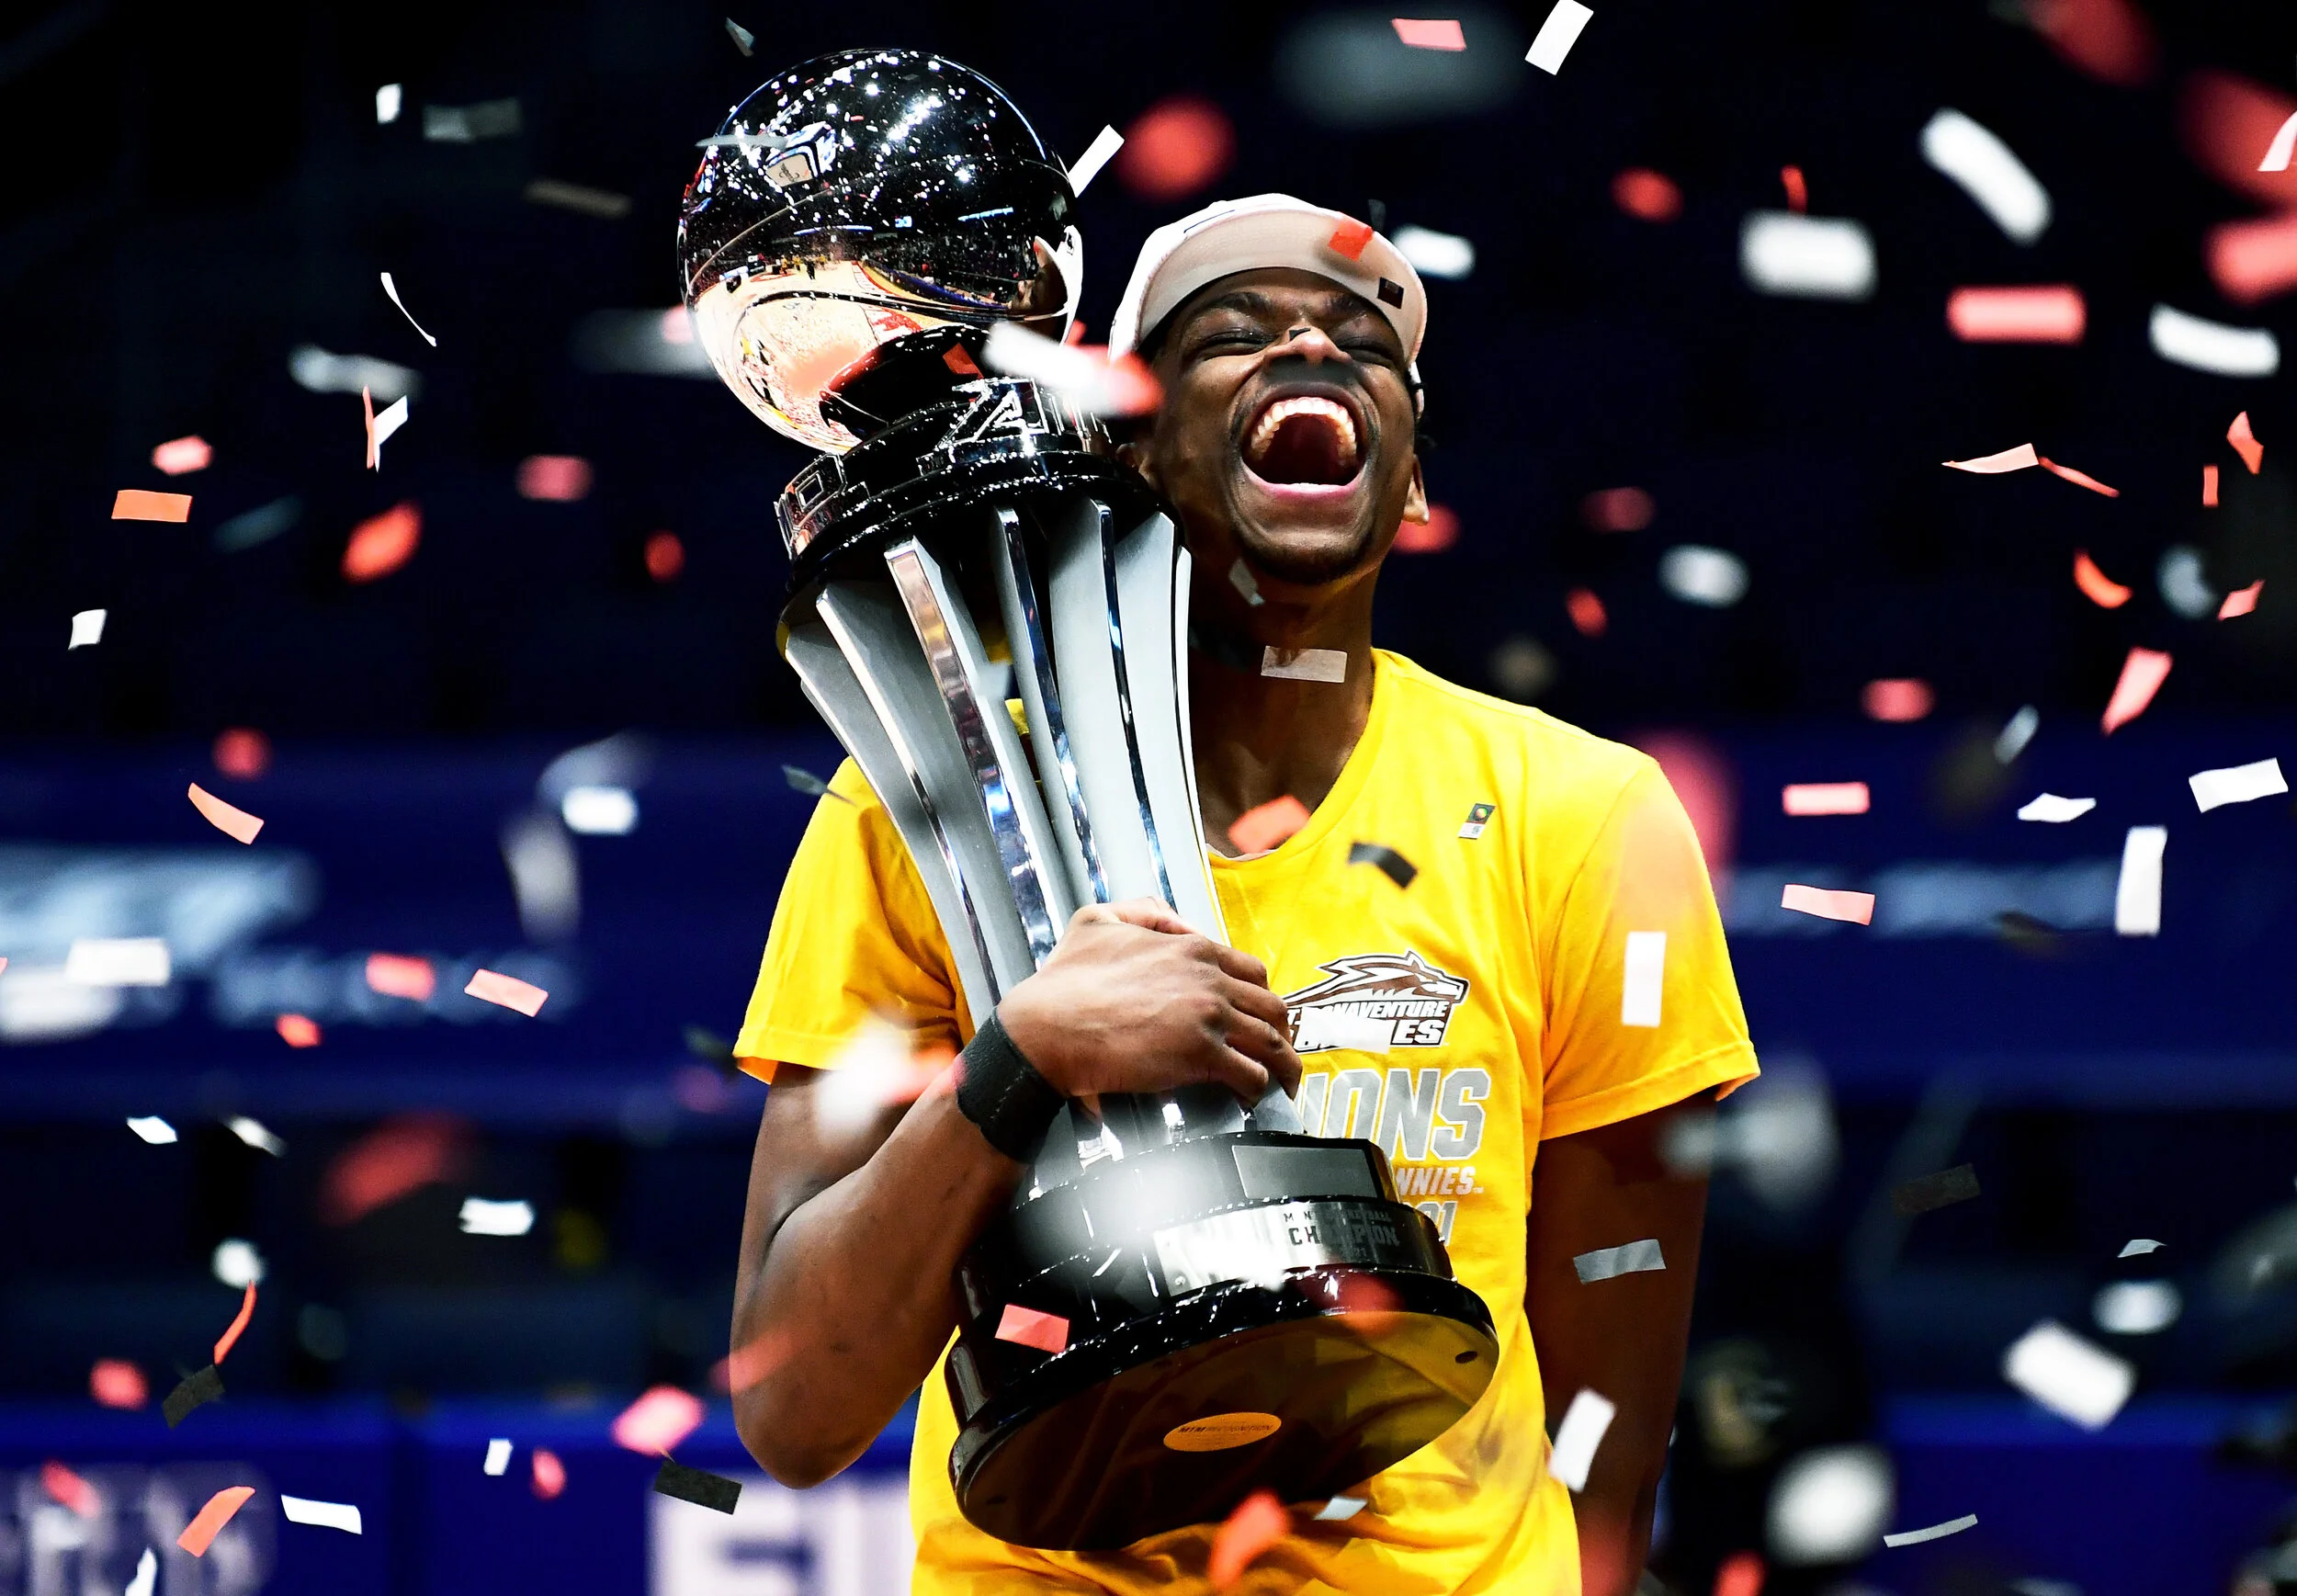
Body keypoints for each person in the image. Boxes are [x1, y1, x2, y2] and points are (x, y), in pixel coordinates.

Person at [728, 193, 1760, 1595]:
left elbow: (1611, 1431)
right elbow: (794, 1411)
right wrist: (1016, 1065)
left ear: (1408, 477)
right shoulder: (927, 808)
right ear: (1129, 451)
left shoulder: (1587, 822)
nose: (1308, 352)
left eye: (1359, 339)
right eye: (1230, 333)